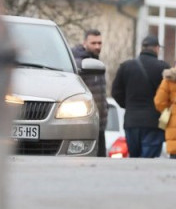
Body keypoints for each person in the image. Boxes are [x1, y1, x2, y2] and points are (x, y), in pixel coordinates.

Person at [111, 35, 169, 158]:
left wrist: (128, 105)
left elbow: (115, 92)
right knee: (148, 162)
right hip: (154, 123)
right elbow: (170, 94)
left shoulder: (126, 66)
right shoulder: (163, 68)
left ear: (142, 48)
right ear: (157, 48)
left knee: (135, 160)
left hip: (131, 121)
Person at [71, 29, 108, 157]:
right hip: (84, 123)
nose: (98, 46)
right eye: (93, 43)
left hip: (99, 124)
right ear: (85, 43)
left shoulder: (96, 61)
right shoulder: (78, 62)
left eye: (100, 43)